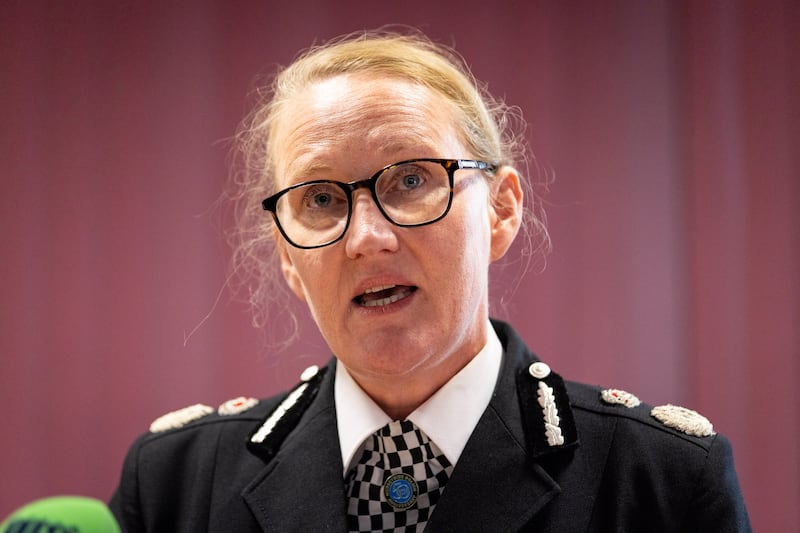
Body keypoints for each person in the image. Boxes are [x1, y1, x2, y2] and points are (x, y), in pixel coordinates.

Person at [109, 29, 751, 532]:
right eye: (321, 199)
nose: (367, 237)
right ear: (286, 256)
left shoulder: (661, 482)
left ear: (501, 210)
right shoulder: (173, 485)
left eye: (411, 180)